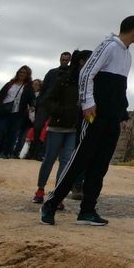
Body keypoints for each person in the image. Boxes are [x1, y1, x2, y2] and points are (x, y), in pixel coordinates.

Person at [41, 15, 134, 228]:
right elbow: (86, 73)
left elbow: (120, 88)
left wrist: (123, 114)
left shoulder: (127, 55)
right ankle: (50, 203)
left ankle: (87, 211)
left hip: (112, 118)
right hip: (94, 115)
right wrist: (87, 102)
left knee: (100, 166)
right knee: (79, 160)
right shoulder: (108, 46)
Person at [34, 48, 89, 203]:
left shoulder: (87, 82)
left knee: (65, 162)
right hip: (58, 125)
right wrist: (61, 111)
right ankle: (40, 189)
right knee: (50, 159)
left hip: (73, 127)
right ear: (82, 62)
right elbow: (48, 99)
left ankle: (57, 195)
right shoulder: (63, 78)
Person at [0, 66, 33, 158]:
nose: (21, 74)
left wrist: (33, 106)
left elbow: (31, 99)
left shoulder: (28, 87)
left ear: (27, 75)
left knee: (12, 134)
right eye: (20, 72)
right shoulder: (9, 84)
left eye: (24, 72)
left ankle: (6, 153)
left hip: (17, 113)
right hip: (4, 111)